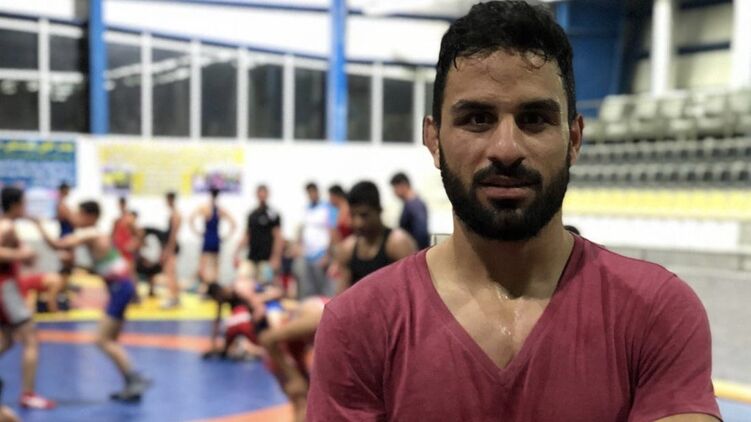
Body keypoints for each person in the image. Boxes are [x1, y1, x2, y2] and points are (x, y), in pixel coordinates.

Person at [308, 3, 720, 421]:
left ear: (574, 139)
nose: (506, 149)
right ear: (433, 140)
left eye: (535, 119)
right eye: (477, 119)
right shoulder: (357, 326)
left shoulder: (656, 312)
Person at [33, 200, 152, 402]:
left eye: (79, 214)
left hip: (120, 288)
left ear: (90, 216)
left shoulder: (91, 233)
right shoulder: (98, 235)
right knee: (110, 340)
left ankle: (136, 377)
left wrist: (38, 225)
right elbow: (101, 264)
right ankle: (131, 382)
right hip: (121, 287)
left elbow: (56, 244)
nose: (75, 218)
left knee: (102, 340)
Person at [0, 187, 56, 409]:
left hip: (6, 288)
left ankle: (28, 393)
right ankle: (28, 394)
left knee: (6, 340)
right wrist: (21, 254)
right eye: (24, 203)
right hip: (6, 290)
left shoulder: (8, 226)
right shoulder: (6, 226)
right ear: (15, 205)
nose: (26, 208)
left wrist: (24, 256)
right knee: (31, 339)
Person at [333, 181, 417, 294]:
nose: (358, 223)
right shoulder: (348, 248)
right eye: (353, 215)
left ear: (379, 210)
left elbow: (415, 291)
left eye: (364, 215)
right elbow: (341, 296)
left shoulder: (398, 243)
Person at [234, 185, 283, 285]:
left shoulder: (273, 214)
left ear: (267, 194)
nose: (262, 195)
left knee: (265, 285)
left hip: (266, 260)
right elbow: (247, 235)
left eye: (264, 193)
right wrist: (236, 253)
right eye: (260, 193)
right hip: (251, 258)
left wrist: (276, 258)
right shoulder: (252, 215)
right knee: (242, 280)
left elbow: (278, 237)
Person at [190, 188, 237, 289]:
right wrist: (226, 237)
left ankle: (203, 287)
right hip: (216, 239)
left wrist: (197, 232)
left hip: (207, 238)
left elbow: (191, 218)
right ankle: (213, 287)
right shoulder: (220, 210)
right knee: (215, 265)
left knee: (203, 264)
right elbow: (233, 224)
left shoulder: (205, 208)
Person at [296, 183, 336, 299]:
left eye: (313, 191)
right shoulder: (306, 209)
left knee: (324, 290)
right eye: (309, 192)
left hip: (322, 255)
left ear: (317, 192)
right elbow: (303, 230)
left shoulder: (327, 208)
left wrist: (328, 254)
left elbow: (332, 231)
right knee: (309, 291)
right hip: (307, 255)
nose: (311, 194)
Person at [390, 172, 430, 249]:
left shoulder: (415, 205)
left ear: (403, 185)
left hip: (416, 251)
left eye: (395, 188)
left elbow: (421, 234)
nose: (394, 192)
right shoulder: (410, 204)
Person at [161, 192, 181, 308]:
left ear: (171, 200)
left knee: (170, 273)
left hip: (171, 247)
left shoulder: (175, 215)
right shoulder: (174, 214)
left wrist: (168, 250)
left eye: (167, 200)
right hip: (171, 246)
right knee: (172, 272)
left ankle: (173, 298)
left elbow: (173, 235)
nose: (166, 202)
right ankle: (175, 297)